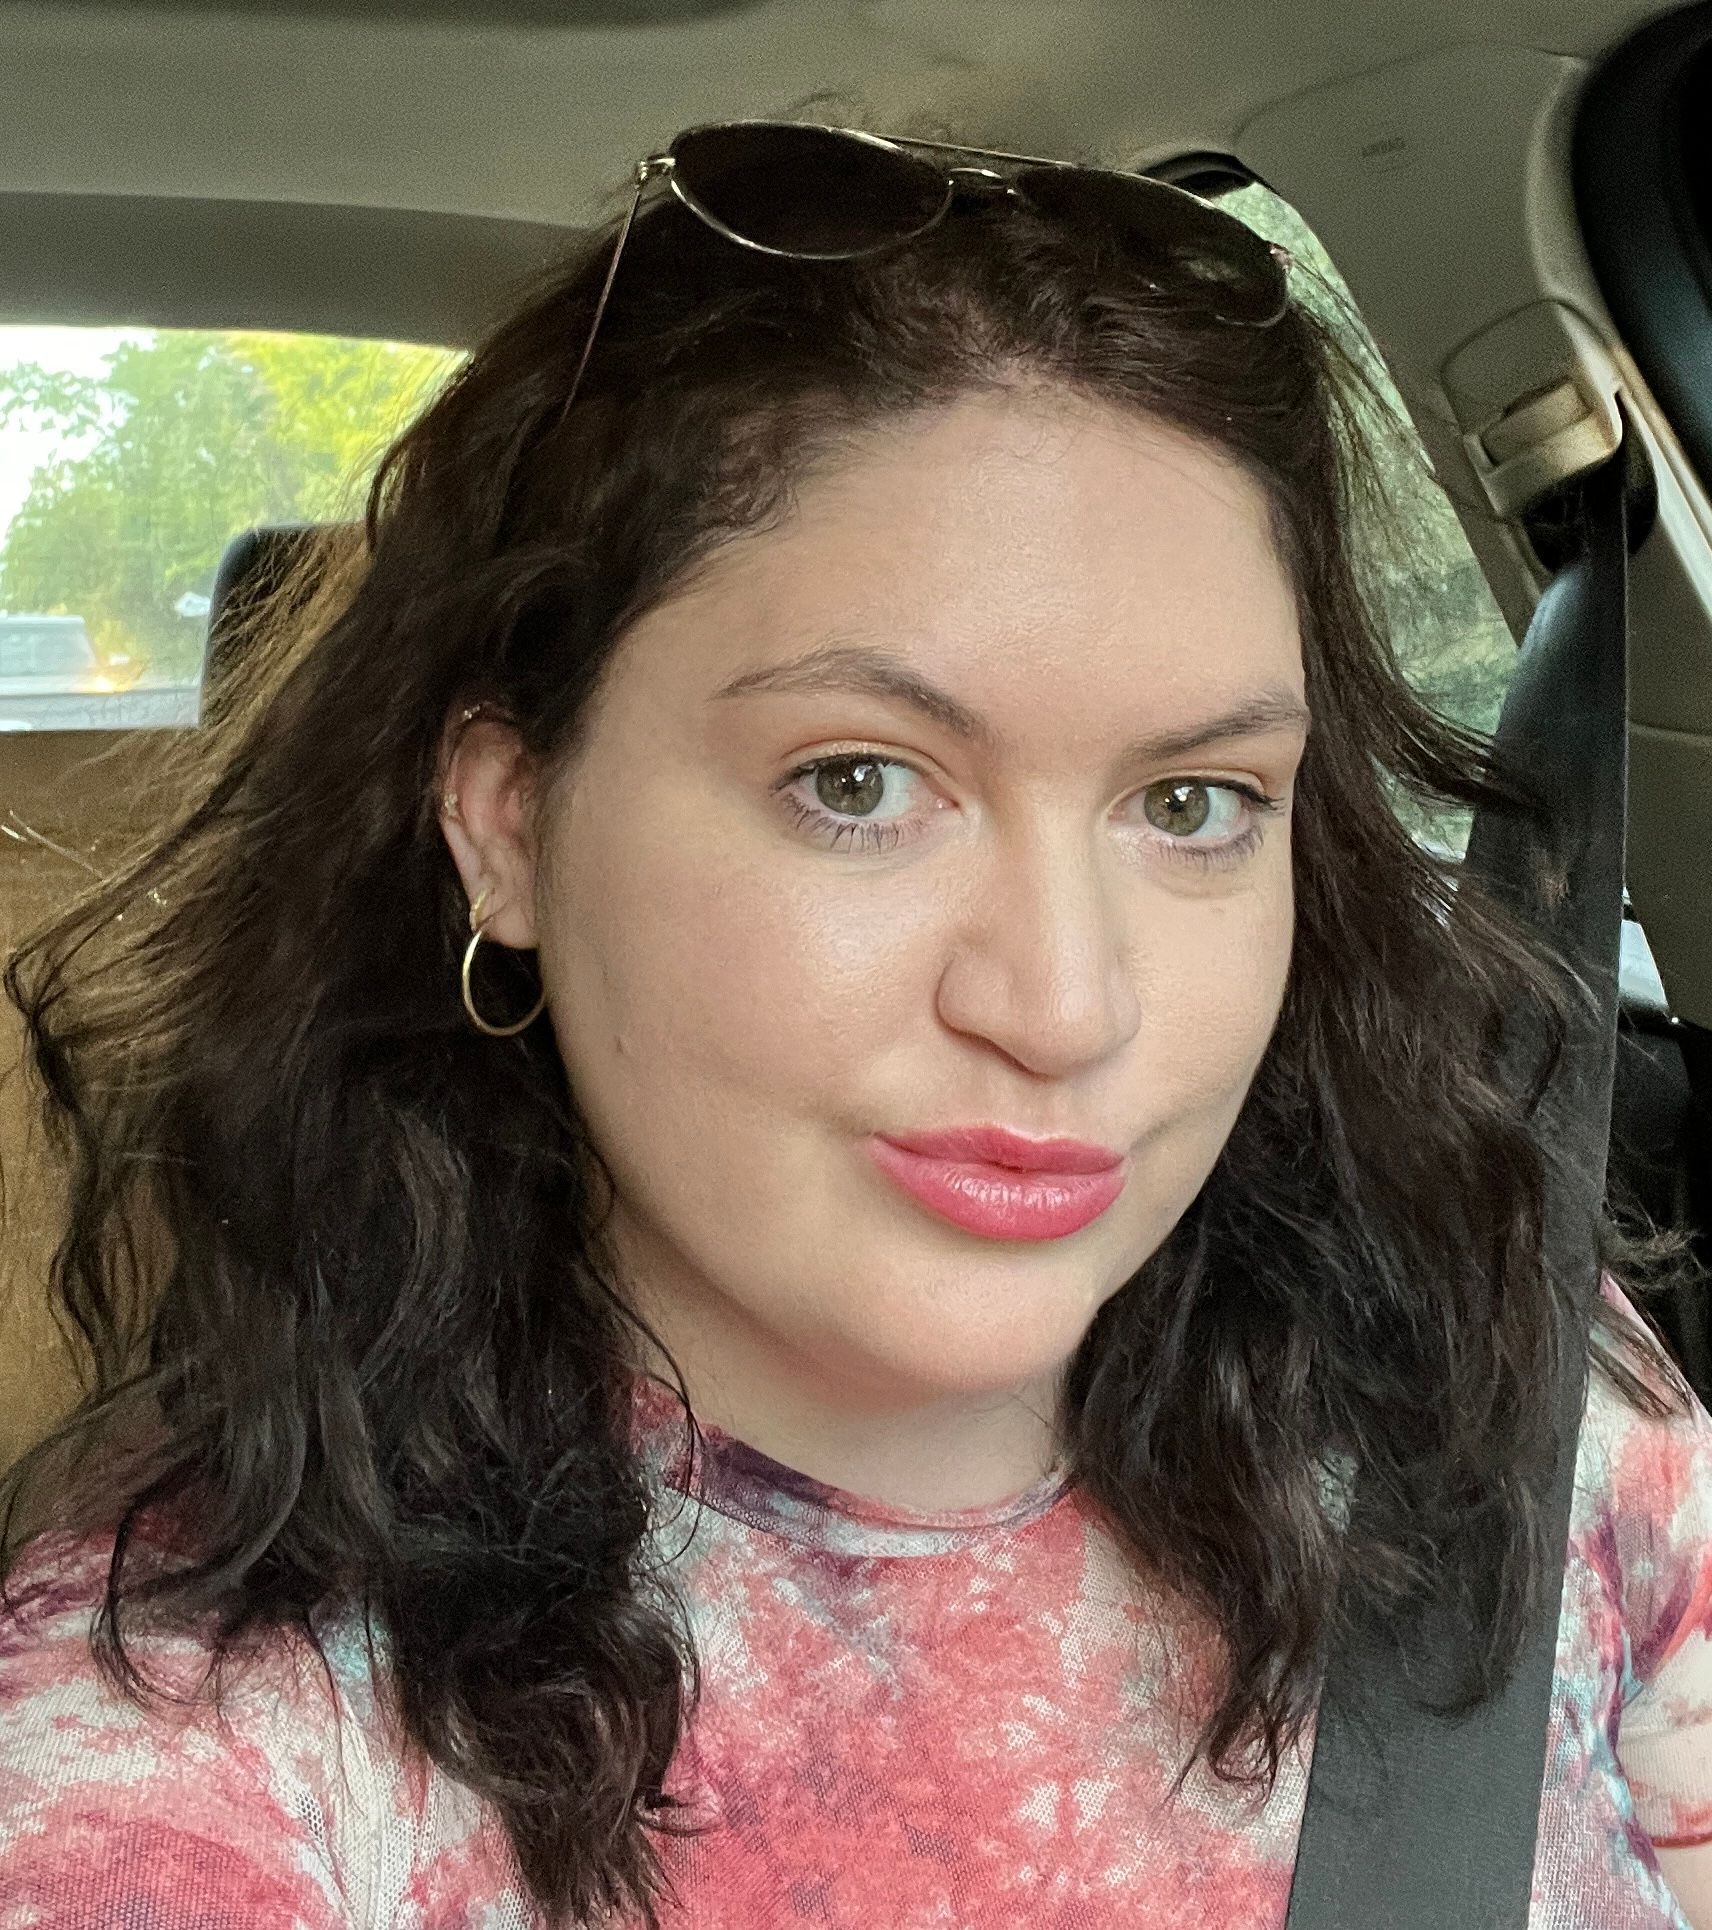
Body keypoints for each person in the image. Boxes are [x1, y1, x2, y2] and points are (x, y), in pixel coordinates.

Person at [0, 119, 1707, 1930]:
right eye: (861, 782)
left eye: (1195, 803)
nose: (1063, 1006)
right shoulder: (203, 1742)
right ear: (506, 824)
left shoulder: (1491, 1355)